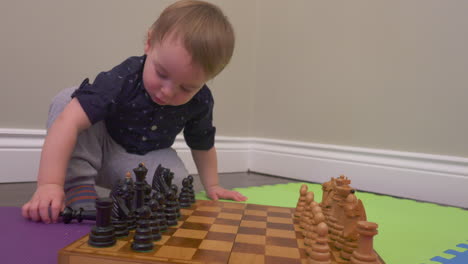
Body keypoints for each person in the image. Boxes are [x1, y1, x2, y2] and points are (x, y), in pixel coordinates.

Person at [22, 0, 247, 224]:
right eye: (161, 73)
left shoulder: (201, 100)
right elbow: (68, 122)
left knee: (177, 184)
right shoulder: (124, 77)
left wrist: (213, 185)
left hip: (139, 161)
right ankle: (79, 188)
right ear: (149, 43)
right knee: (68, 100)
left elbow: (203, 144)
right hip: (99, 147)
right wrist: (49, 184)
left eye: (186, 88)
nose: (167, 92)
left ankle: (126, 198)